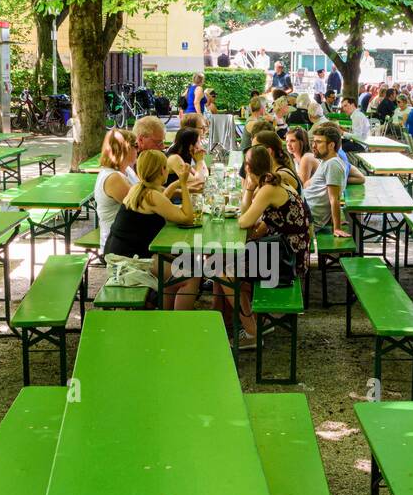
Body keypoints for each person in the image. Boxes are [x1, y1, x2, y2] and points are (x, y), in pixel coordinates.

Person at [213, 144, 311, 347]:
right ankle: (252, 320)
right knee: (226, 261)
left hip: (287, 258)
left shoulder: (267, 188)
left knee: (223, 271)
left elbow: (244, 221)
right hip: (288, 250)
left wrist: (248, 189)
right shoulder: (275, 181)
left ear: (248, 168)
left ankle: (251, 333)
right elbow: (269, 220)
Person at [103, 149, 194, 299]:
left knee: (181, 262)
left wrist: (177, 184)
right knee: (190, 277)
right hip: (130, 261)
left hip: (120, 251)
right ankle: (178, 321)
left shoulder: (138, 189)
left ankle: (166, 313)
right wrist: (183, 184)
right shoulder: (151, 195)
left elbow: (163, 203)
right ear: (161, 171)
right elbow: (187, 218)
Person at [94, 128, 139, 252]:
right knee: (182, 269)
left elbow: (145, 192)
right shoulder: (114, 178)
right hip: (118, 248)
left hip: (132, 238)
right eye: (135, 145)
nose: (138, 149)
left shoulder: (127, 170)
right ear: (124, 148)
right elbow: (140, 204)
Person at [302, 122, 347, 237]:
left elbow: (334, 198)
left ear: (331, 145)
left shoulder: (333, 164)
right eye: (313, 141)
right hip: (303, 212)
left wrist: (336, 228)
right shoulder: (325, 161)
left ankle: (258, 253)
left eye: (318, 142)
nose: (313, 146)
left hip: (305, 220)